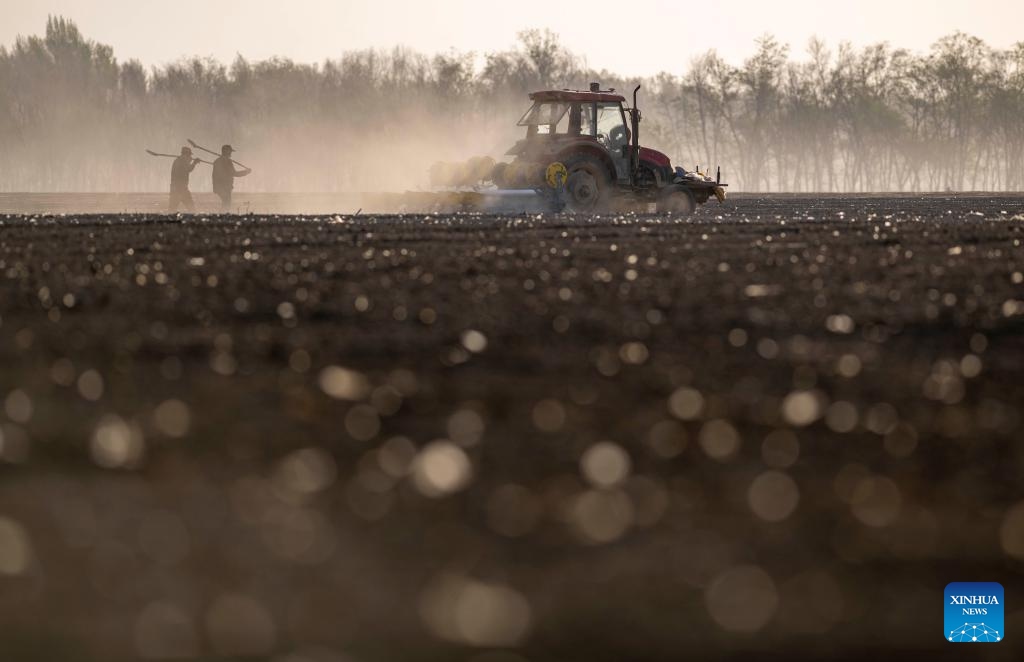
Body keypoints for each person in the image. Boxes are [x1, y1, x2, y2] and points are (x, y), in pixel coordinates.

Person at [212, 145, 252, 211]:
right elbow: (234, 173)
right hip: (224, 187)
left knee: (225, 203)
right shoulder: (227, 161)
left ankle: (221, 217)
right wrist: (246, 172)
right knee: (226, 203)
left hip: (220, 186)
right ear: (226, 151)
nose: (231, 153)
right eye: (230, 151)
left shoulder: (218, 161)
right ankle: (222, 217)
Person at [169, 147, 201, 212]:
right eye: (189, 155)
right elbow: (188, 169)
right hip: (179, 188)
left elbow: (186, 168)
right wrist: (194, 162)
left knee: (172, 208)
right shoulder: (181, 161)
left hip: (178, 187)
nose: (190, 156)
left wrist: (189, 161)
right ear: (186, 154)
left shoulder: (179, 160)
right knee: (191, 208)